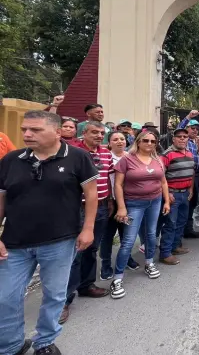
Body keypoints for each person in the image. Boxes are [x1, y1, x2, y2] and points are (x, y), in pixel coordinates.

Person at [0, 111, 99, 355]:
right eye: (25, 129)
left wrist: (88, 229)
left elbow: (92, 194)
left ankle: (44, 342)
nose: (27, 134)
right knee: (5, 297)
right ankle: (11, 345)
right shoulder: (12, 160)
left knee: (54, 295)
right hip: (15, 242)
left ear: (56, 132)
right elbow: (1, 199)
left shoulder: (77, 157)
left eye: (35, 129)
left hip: (59, 241)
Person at [62, 122, 114, 324]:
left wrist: (109, 200)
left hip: (101, 205)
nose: (99, 135)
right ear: (84, 133)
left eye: (102, 133)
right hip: (79, 207)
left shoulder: (106, 153)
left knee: (92, 248)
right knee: (75, 252)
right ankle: (64, 300)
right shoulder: (73, 152)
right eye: (94, 132)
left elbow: (107, 178)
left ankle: (86, 285)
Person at [111, 130, 170, 299]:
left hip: (155, 201)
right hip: (133, 204)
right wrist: (121, 207)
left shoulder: (158, 159)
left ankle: (149, 263)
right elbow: (118, 185)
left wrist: (166, 201)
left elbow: (163, 182)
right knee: (129, 240)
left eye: (153, 141)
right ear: (138, 141)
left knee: (151, 235)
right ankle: (117, 278)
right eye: (146, 140)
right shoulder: (126, 160)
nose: (150, 144)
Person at [99, 131, 138, 282]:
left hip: (129, 201)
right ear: (109, 143)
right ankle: (106, 265)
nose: (120, 141)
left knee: (126, 234)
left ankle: (127, 259)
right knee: (108, 236)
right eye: (115, 139)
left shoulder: (131, 157)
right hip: (110, 202)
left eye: (122, 139)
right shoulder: (106, 157)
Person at [158, 128, 195, 265]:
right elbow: (161, 177)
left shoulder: (190, 154)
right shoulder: (167, 154)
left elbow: (191, 174)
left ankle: (175, 247)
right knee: (170, 224)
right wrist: (167, 195)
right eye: (179, 136)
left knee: (181, 222)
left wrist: (191, 189)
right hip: (173, 194)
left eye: (185, 136)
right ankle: (165, 253)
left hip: (185, 193)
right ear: (173, 139)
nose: (182, 139)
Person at [177, 110, 199, 239]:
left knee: (192, 204)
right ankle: (179, 233)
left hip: (196, 176)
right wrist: (188, 117)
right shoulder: (184, 140)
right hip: (186, 176)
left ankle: (188, 230)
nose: (195, 131)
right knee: (184, 205)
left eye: (197, 129)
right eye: (192, 128)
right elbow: (178, 129)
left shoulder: (194, 142)